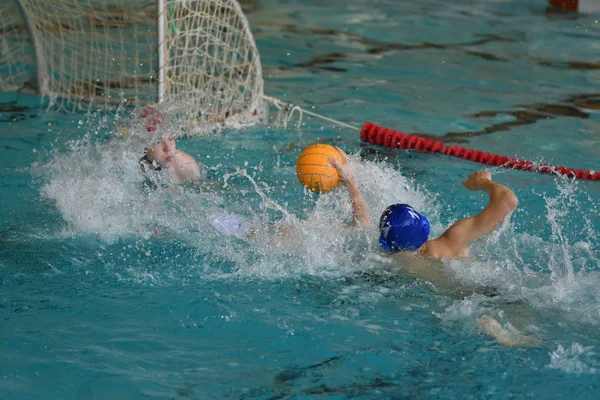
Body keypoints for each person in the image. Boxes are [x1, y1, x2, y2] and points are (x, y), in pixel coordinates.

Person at [329, 155, 536, 346]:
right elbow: (508, 201)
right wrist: (482, 182)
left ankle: (489, 324)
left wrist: (351, 183)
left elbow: (362, 222)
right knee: (526, 320)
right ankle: (498, 326)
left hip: (455, 305)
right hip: (488, 289)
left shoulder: (390, 258)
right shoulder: (452, 240)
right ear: (424, 227)